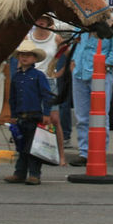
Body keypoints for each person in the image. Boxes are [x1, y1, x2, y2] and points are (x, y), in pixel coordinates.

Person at [69, 0, 113, 167]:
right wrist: (73, 61)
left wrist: (106, 65)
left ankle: (99, 151)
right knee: (82, 116)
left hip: (99, 73)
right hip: (80, 72)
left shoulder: (112, 19)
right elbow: (76, 41)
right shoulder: (83, 17)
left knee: (100, 115)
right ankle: (84, 152)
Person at [4, 40, 54, 186]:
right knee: (21, 147)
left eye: (28, 55)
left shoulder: (39, 76)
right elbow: (12, 98)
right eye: (22, 55)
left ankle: (34, 174)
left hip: (35, 116)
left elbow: (46, 95)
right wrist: (13, 115)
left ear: (34, 58)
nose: (24, 58)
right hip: (21, 116)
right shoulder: (17, 77)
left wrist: (46, 113)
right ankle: (19, 173)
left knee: (33, 148)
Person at [28, 14, 66, 165]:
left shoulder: (56, 38)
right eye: (38, 18)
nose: (41, 21)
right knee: (31, 119)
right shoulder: (28, 38)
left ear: (49, 22)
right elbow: (20, 59)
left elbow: (69, 56)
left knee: (54, 120)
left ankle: (61, 156)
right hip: (32, 82)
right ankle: (34, 154)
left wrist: (60, 72)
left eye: (45, 19)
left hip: (49, 82)